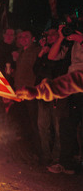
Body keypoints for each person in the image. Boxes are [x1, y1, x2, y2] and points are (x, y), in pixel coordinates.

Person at [17, 25, 83, 174]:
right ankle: (63, 163)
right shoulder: (70, 46)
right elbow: (75, 79)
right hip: (69, 93)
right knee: (66, 125)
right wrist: (38, 91)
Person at [33, 27, 70, 165]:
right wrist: (40, 54)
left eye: (53, 34)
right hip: (42, 93)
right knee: (42, 125)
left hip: (57, 93)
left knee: (57, 127)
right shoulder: (45, 51)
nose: (50, 37)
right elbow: (36, 70)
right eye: (48, 35)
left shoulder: (64, 51)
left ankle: (56, 158)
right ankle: (46, 155)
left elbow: (56, 67)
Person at [11, 29, 42, 161]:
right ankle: (25, 154)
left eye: (26, 36)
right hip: (20, 93)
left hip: (30, 92)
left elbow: (36, 70)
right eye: (21, 36)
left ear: (32, 38)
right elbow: (21, 72)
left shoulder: (36, 50)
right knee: (23, 123)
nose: (23, 38)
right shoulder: (21, 52)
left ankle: (38, 153)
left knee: (34, 124)